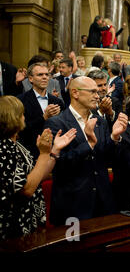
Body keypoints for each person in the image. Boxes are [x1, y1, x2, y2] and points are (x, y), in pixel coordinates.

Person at [44, 76, 128, 225]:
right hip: (73, 205)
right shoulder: (56, 123)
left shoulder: (100, 121)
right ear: (75, 93)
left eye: (97, 91)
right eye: (92, 92)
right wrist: (88, 145)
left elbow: (107, 159)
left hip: (103, 203)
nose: (98, 96)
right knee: (75, 247)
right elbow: (59, 165)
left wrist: (114, 138)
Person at [0, 96, 76, 241]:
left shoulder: (16, 143)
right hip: (13, 227)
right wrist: (43, 153)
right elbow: (26, 189)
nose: (24, 117)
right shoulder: (3, 147)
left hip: (29, 222)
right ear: (11, 117)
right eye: (22, 114)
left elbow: (37, 176)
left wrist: (54, 151)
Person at [17, 63, 65, 159]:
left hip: (54, 152)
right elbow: (20, 130)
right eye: (40, 75)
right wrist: (44, 117)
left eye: (47, 75)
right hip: (30, 151)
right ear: (30, 79)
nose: (45, 77)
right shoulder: (20, 100)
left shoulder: (57, 101)